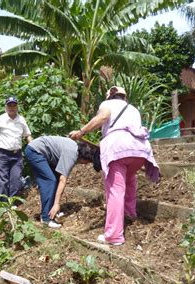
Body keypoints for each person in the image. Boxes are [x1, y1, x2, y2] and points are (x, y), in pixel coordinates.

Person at [69, 86, 160, 246]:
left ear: (110, 96)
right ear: (124, 97)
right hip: (140, 150)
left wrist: (82, 131)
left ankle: (114, 236)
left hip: (118, 148)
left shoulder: (107, 104)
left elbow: (103, 117)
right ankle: (129, 213)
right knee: (130, 179)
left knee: (115, 189)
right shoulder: (133, 110)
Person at [24, 136, 98, 228]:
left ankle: (49, 212)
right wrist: (56, 204)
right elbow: (63, 180)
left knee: (53, 178)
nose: (85, 164)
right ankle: (46, 219)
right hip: (35, 151)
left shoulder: (74, 148)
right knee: (50, 181)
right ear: (83, 158)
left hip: (38, 150)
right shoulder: (72, 155)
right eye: (87, 162)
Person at [0, 96, 33, 199]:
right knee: (2, 180)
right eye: (9, 105)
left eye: (14, 105)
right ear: (6, 106)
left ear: (17, 107)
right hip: (2, 154)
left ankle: (12, 202)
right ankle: (2, 205)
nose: (11, 107)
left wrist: (34, 146)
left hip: (17, 155)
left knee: (16, 180)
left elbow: (27, 135)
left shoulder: (21, 120)